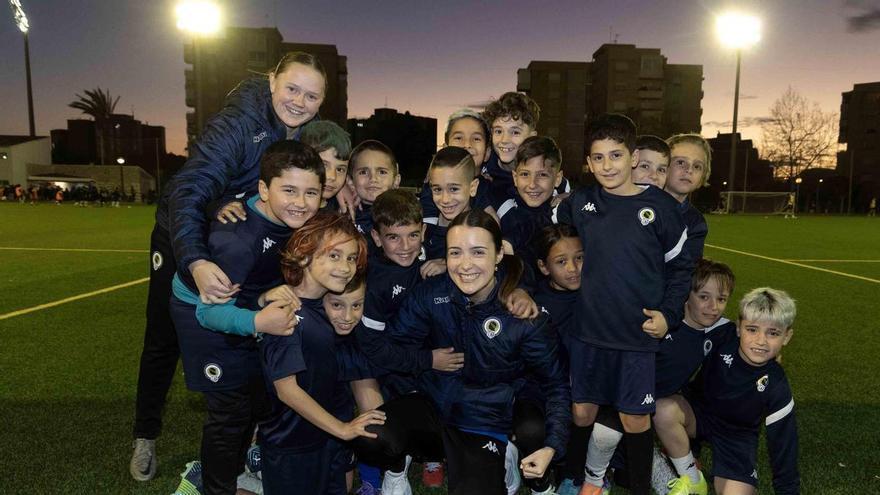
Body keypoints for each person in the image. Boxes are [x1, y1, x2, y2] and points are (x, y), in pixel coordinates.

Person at [130, 51, 327, 481]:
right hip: (183, 234)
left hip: (235, 236)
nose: (299, 101)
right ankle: (146, 434)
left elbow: (307, 171)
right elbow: (189, 189)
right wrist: (196, 259)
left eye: (311, 95)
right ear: (273, 80)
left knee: (249, 329)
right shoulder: (239, 123)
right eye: (292, 88)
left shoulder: (298, 127)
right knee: (164, 337)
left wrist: (339, 188)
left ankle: (244, 439)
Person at [353, 209, 571, 495]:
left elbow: (556, 385)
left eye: (478, 252)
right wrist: (426, 361)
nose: (465, 265)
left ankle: (503, 457)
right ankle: (398, 465)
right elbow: (396, 345)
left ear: (497, 257)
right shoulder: (431, 294)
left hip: (485, 419)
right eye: (456, 253)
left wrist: (552, 445)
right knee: (370, 435)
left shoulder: (524, 316)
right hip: (435, 403)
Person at [169, 139, 324, 494]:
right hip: (202, 312)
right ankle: (211, 486)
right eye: (289, 190)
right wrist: (257, 321)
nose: (301, 202)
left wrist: (260, 299)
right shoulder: (237, 241)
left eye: (311, 193)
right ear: (263, 190)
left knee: (256, 398)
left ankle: (233, 471)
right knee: (229, 411)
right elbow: (210, 312)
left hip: (243, 301)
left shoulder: (290, 217)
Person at [555, 113, 693, 495]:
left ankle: (639, 486)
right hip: (587, 333)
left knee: (635, 419)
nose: (606, 166)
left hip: (636, 338)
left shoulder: (661, 209)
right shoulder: (581, 203)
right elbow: (552, 236)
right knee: (582, 411)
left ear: (633, 157)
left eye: (615, 156)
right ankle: (572, 478)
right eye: (597, 158)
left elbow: (681, 270)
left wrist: (667, 315)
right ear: (587, 162)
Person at [578, 259, 736, 493]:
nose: (713, 306)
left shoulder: (722, 330)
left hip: (659, 404)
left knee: (633, 461)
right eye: (704, 297)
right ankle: (594, 481)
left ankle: (683, 474)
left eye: (721, 299)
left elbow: (746, 347)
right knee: (606, 434)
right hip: (622, 398)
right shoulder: (661, 323)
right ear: (686, 294)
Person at [259, 212, 384, 494]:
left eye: (351, 258)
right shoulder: (287, 311)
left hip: (325, 439)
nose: (346, 267)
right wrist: (342, 428)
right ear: (304, 256)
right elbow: (286, 389)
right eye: (335, 255)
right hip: (292, 447)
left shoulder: (322, 305)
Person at [655, 287, 799, 495]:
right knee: (663, 409)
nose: (761, 341)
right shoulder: (722, 336)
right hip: (699, 415)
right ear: (739, 328)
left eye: (773, 333)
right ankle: (693, 478)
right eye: (752, 329)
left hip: (737, 437)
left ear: (787, 336)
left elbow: (784, 445)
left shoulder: (777, 385)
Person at [482, 93, 572, 210]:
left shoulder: (546, 174)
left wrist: (571, 199)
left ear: (532, 137)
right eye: (498, 131)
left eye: (515, 132)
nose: (504, 140)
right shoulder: (483, 169)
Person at [497, 136, 564, 276]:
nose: (532, 184)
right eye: (525, 174)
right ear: (515, 178)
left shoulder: (562, 211)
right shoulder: (503, 202)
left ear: (557, 179)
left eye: (543, 175)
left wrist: (510, 241)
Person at [419, 109, 496, 225]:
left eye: (476, 139)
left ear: (487, 153)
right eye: (459, 138)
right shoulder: (430, 190)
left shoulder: (493, 188)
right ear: (445, 148)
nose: (467, 144)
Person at [665, 134, 711, 260]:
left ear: (703, 175)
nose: (689, 170)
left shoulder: (695, 222)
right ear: (663, 165)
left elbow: (686, 272)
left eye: (697, 166)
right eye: (680, 162)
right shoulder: (637, 202)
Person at [348, 140, 401, 245]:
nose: (373, 179)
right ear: (350, 181)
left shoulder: (408, 215)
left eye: (382, 172)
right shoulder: (341, 215)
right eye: (363, 172)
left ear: (396, 181)